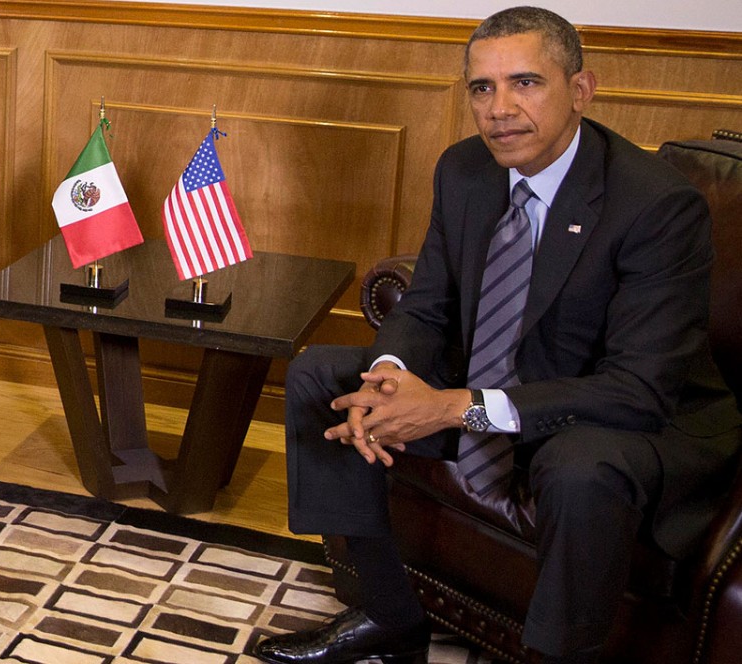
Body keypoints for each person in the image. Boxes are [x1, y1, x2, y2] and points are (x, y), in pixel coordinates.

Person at [253, 6, 741, 664]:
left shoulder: (653, 205)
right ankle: (386, 614)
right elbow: (427, 302)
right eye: (481, 88)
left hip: (618, 414)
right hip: (496, 378)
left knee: (577, 470)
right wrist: (390, 374)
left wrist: (454, 404)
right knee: (325, 380)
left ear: (579, 89)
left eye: (524, 83)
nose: (499, 109)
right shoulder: (465, 170)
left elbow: (636, 390)